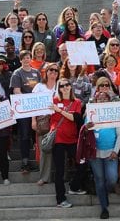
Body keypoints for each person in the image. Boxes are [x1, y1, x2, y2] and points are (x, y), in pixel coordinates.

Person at [81, 91, 120, 219]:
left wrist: (115, 151)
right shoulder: (90, 114)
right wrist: (86, 127)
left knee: (112, 178)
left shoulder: (114, 113)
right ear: (96, 101)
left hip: (111, 152)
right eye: (99, 98)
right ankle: (104, 207)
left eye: (105, 98)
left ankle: (105, 192)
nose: (102, 100)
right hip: (95, 153)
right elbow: (83, 132)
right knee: (99, 181)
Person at [51, 78, 85, 208]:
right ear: (58, 88)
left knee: (82, 163)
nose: (65, 87)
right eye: (62, 85)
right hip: (58, 139)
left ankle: (74, 186)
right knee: (59, 171)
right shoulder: (53, 101)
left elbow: (74, 118)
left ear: (71, 87)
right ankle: (60, 199)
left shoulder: (76, 102)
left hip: (72, 139)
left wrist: (59, 111)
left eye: (67, 85)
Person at [10, 50, 42, 173]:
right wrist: (29, 100)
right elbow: (16, 91)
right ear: (21, 60)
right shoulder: (17, 73)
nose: (27, 60)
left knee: (38, 134)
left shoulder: (36, 72)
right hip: (24, 109)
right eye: (24, 58)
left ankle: (40, 161)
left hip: (36, 108)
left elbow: (40, 88)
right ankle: (25, 162)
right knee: (24, 135)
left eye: (28, 57)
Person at [32, 62, 60, 186]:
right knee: (45, 149)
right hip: (43, 120)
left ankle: (61, 176)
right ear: (46, 72)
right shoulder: (39, 86)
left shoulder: (61, 85)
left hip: (58, 119)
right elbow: (31, 104)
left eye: (55, 70)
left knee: (59, 149)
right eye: (51, 70)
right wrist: (33, 120)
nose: (53, 72)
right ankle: (44, 177)